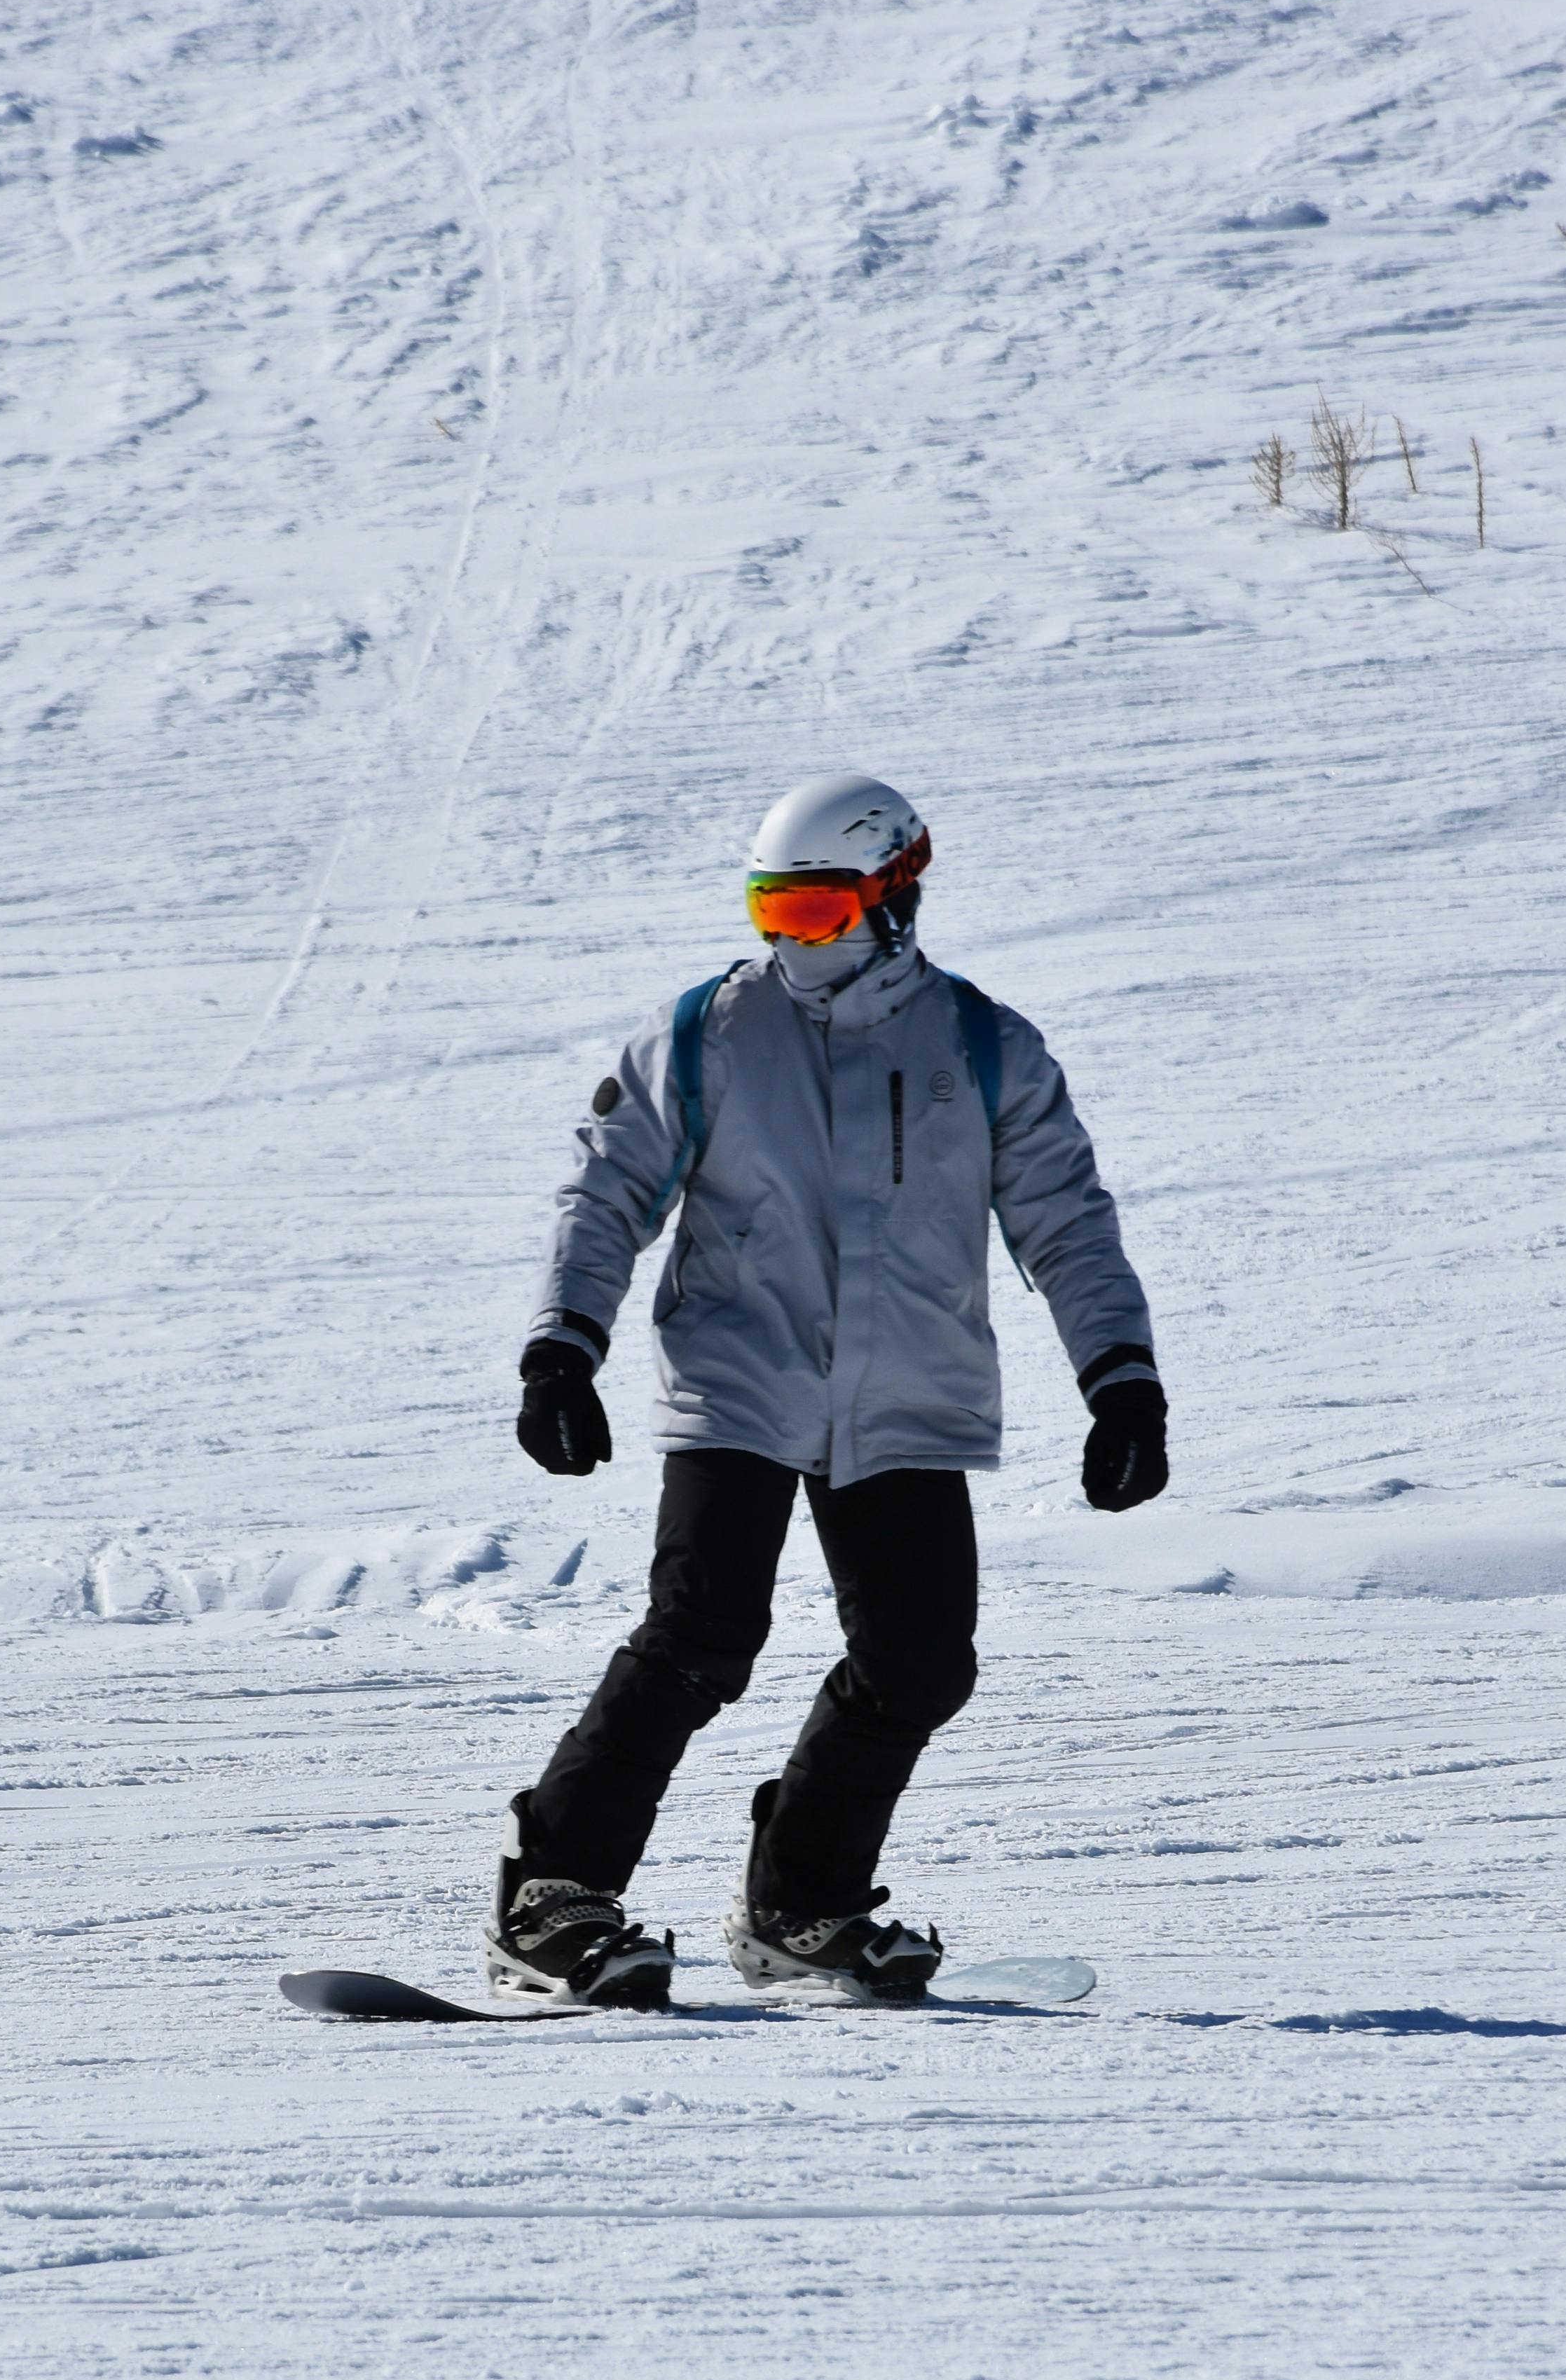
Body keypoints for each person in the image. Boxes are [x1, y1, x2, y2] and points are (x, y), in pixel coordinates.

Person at [492, 772, 1167, 2007]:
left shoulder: (984, 1046)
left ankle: (801, 1903)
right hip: (742, 1377)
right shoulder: (705, 1034)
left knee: (920, 1665)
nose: (789, 942)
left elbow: (1070, 1224)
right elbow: (606, 1193)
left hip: (907, 1394)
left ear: (895, 895)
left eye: (814, 913)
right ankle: (552, 1896)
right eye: (771, 912)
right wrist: (562, 1349)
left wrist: (1123, 1383)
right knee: (700, 1640)